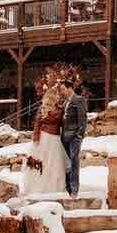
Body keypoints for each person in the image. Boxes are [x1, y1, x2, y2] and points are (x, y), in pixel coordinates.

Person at [22, 67, 71, 196]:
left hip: (55, 139)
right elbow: (37, 123)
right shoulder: (43, 108)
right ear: (51, 97)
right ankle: (38, 187)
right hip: (44, 137)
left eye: (58, 95)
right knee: (42, 162)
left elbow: (63, 124)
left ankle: (55, 187)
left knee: (55, 164)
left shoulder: (61, 109)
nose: (58, 97)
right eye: (56, 95)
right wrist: (35, 137)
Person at [61, 79, 88, 196]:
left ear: (70, 88)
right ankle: (68, 188)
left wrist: (79, 135)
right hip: (65, 137)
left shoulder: (79, 100)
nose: (62, 92)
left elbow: (83, 119)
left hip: (74, 137)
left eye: (63, 89)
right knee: (67, 162)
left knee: (74, 161)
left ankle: (74, 188)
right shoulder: (65, 102)